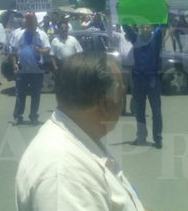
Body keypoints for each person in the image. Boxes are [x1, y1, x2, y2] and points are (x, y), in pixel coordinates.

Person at [15, 51, 146, 211]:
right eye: (122, 96)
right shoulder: (65, 176)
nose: (122, 104)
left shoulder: (79, 136)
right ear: (105, 104)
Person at [122, 20, 164, 149]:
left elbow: (162, 26)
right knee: (139, 111)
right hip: (138, 80)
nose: (146, 29)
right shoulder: (136, 39)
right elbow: (125, 26)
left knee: (156, 111)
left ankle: (157, 138)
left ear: (151, 29)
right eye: (144, 27)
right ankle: (141, 136)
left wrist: (165, 13)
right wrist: (120, 12)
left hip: (152, 80)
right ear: (140, 29)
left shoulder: (156, 40)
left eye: (148, 27)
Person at [10, 12, 50, 126]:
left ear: (35, 21)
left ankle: (33, 116)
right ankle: (18, 116)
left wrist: (41, 51)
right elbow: (13, 50)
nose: (29, 22)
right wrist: (14, 64)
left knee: (36, 94)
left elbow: (47, 49)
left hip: (37, 69)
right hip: (22, 69)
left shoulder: (41, 35)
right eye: (27, 20)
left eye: (31, 20)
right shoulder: (19, 34)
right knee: (20, 94)